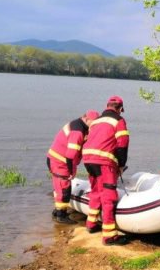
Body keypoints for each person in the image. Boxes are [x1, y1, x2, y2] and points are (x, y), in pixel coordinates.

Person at [82, 96, 130, 245]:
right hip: (104, 161)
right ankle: (109, 236)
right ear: (120, 108)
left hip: (88, 159)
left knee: (96, 190)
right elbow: (122, 144)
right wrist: (121, 165)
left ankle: (91, 224)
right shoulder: (119, 121)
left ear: (107, 106)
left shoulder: (96, 121)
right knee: (109, 196)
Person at [47, 110, 100, 224]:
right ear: (86, 119)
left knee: (59, 187)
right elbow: (70, 155)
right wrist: (72, 171)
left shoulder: (79, 125)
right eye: (94, 123)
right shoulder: (78, 131)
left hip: (56, 159)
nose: (95, 126)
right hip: (60, 162)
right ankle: (61, 215)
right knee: (64, 189)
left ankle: (57, 212)